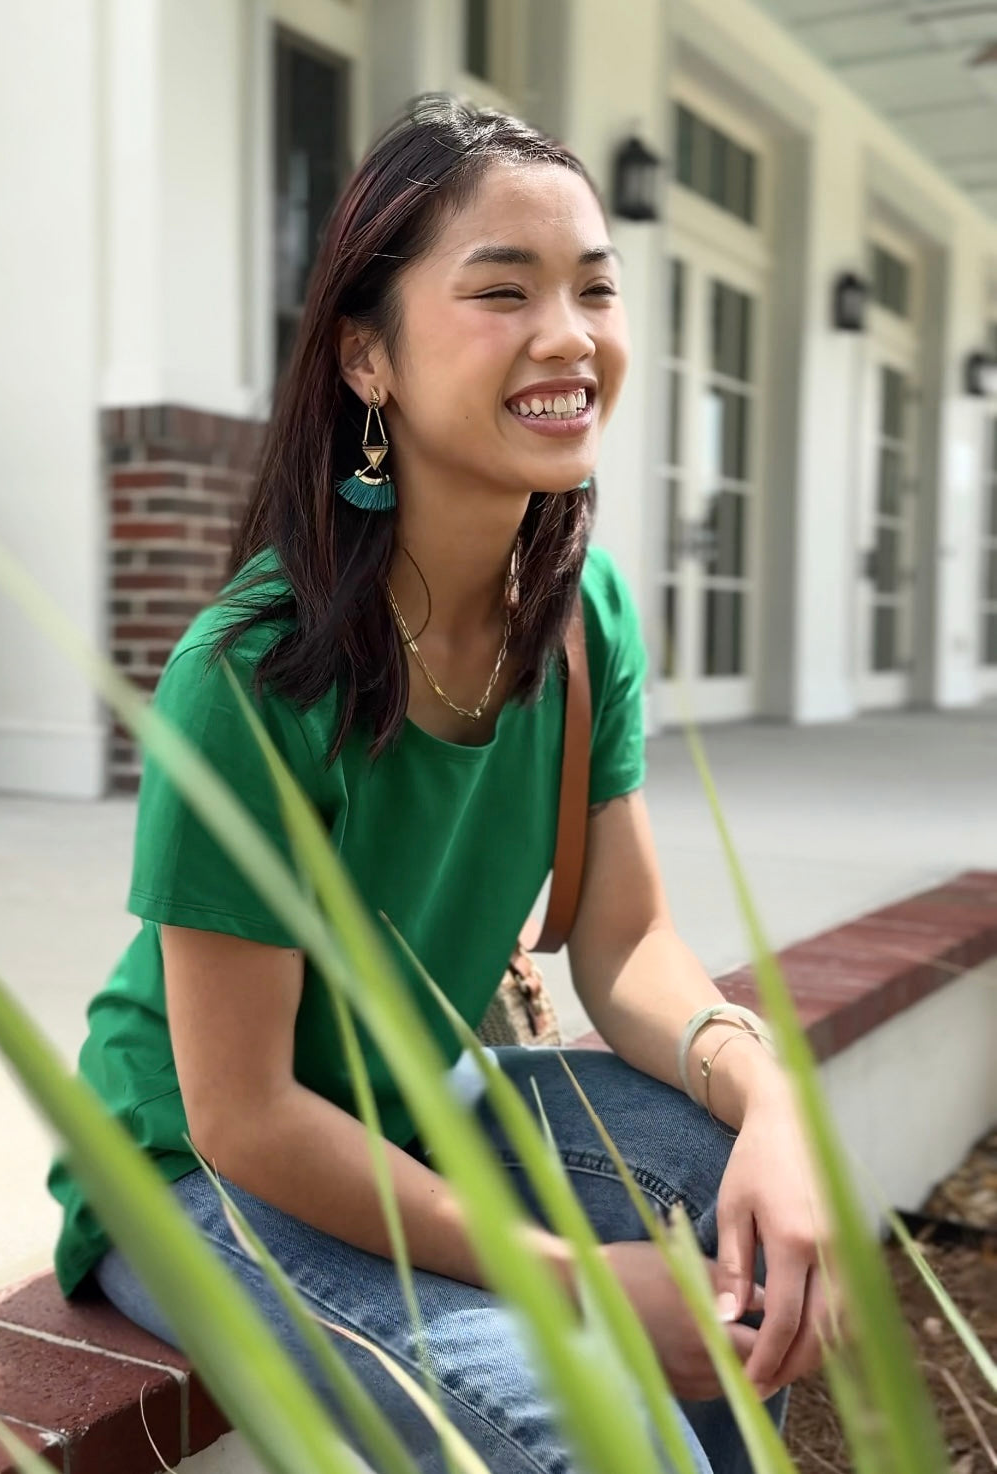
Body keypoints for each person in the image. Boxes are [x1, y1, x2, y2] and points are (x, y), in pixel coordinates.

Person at [48, 95, 833, 1473]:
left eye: (595, 286)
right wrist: (577, 1281)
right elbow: (246, 1111)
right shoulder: (253, 668)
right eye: (503, 291)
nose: (570, 335)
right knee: (601, 1436)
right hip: (201, 1168)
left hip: (416, 1101)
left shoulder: (579, 616)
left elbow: (628, 942)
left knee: (740, 1207)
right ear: (367, 356)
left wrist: (773, 1106)